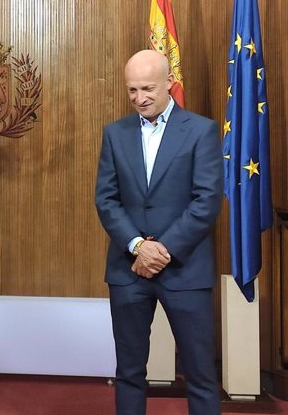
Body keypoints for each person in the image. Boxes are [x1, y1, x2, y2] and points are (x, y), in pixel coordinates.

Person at [95, 50, 224, 415]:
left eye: (148, 88)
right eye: (132, 90)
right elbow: (106, 199)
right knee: (130, 372)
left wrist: (161, 249)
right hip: (128, 270)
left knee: (200, 374)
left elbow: (207, 201)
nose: (140, 98)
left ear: (169, 82)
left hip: (186, 270)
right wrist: (137, 246)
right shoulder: (115, 133)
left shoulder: (201, 130)